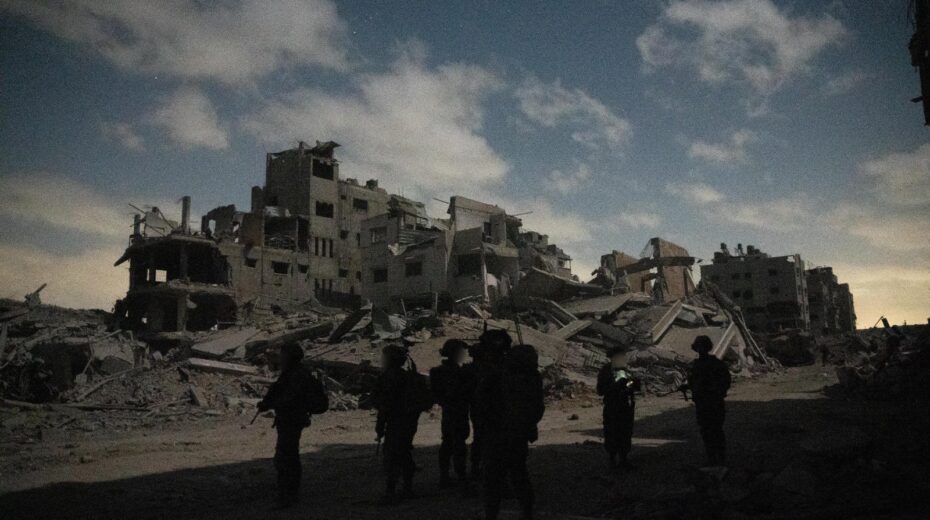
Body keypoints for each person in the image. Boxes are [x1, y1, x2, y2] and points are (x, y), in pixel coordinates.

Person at [474, 329, 544, 520]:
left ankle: (492, 515)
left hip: (497, 434)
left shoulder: (496, 375)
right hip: (518, 434)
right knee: (519, 474)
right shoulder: (530, 375)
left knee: (493, 479)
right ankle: (527, 513)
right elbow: (536, 407)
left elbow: (481, 403)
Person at [257, 343, 324, 509]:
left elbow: (289, 398)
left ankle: (288, 495)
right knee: (289, 456)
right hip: (292, 419)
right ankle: (289, 494)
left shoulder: (295, 375)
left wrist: (271, 404)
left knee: (286, 458)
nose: (280, 357)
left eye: (283, 354)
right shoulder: (295, 373)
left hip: (291, 419)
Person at [373, 344, 426, 504]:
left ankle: (391, 492)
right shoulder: (409, 377)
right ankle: (407, 488)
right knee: (404, 452)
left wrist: (380, 425)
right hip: (409, 421)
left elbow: (384, 405)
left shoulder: (388, 378)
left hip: (395, 422)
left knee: (392, 456)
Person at [430, 339, 471, 487]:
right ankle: (459, 476)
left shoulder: (438, 372)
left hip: (451, 410)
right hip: (456, 410)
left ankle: (446, 475)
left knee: (448, 442)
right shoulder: (457, 373)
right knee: (457, 443)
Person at [687, 335, 731, 466]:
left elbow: (725, 381)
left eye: (702, 346)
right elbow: (693, 382)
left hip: (713, 402)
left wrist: (717, 392)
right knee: (707, 431)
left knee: (715, 430)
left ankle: (720, 458)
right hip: (703, 403)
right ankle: (713, 458)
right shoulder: (697, 365)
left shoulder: (715, 364)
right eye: (699, 347)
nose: (700, 349)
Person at [596, 347, 640, 470]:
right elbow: (600, 390)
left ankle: (623, 459)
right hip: (612, 407)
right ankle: (612, 460)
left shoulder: (627, 370)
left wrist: (631, 383)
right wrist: (616, 386)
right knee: (612, 432)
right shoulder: (606, 371)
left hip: (626, 407)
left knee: (625, 433)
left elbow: (631, 385)